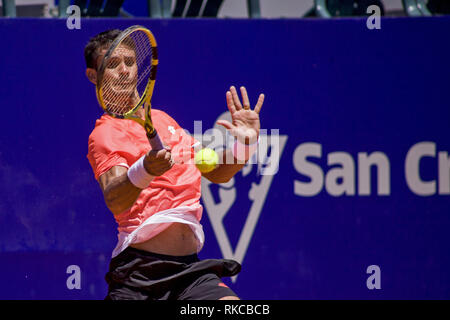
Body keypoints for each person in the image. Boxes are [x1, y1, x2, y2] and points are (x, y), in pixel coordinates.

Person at [85, 29, 264, 300]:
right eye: (112, 64)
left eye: (130, 62)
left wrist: (245, 144)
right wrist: (145, 169)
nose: (123, 70)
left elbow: (216, 172)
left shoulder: (165, 120)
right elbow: (115, 199)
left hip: (190, 273)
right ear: (93, 76)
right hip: (139, 277)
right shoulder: (105, 134)